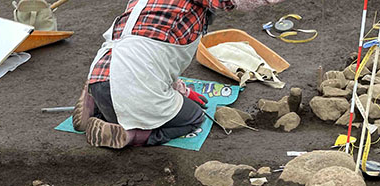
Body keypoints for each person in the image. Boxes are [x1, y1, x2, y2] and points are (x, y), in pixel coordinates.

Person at [73, 0, 285, 149]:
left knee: (127, 84)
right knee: (193, 118)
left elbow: (154, 54)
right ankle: (130, 135)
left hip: (100, 76)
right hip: (130, 84)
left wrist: (181, 89)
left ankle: (94, 107)